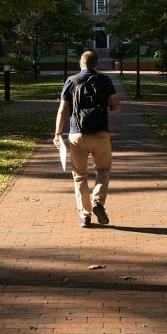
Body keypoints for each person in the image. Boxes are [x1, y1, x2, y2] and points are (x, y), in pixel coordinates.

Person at [54, 50, 122, 228]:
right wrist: (107, 109)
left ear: (80, 64)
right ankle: (98, 202)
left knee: (80, 176)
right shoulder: (105, 80)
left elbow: (62, 110)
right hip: (101, 134)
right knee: (103, 170)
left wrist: (57, 133)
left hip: (77, 134)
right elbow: (117, 107)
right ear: (96, 64)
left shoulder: (71, 81)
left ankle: (85, 216)